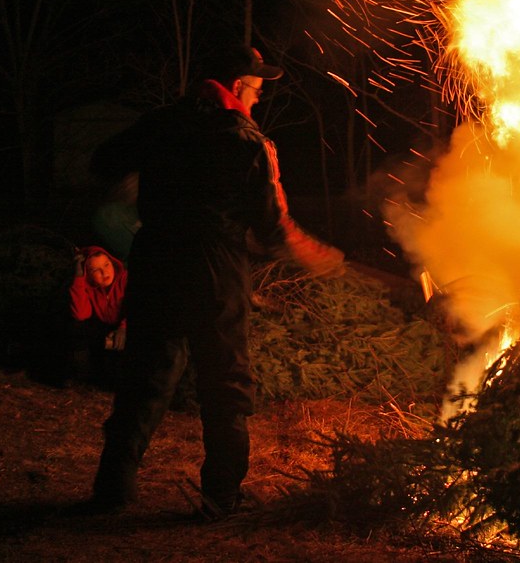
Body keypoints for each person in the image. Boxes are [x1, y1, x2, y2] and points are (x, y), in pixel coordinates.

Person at [87, 44, 345, 516]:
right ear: (237, 87)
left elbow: (102, 161)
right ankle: (222, 495)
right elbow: (271, 226)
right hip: (214, 266)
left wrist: (137, 185)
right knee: (225, 381)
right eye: (257, 89)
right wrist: (313, 252)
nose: (259, 99)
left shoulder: (161, 123)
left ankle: (112, 490)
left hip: (157, 257)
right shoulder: (247, 140)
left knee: (146, 374)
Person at [67, 246, 127, 385]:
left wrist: (124, 328)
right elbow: (80, 314)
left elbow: (139, 307)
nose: (104, 272)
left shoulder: (125, 279)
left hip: (127, 329)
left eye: (106, 265)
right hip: (105, 329)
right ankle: (81, 376)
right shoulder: (89, 287)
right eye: (95, 270)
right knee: (77, 328)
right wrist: (78, 278)